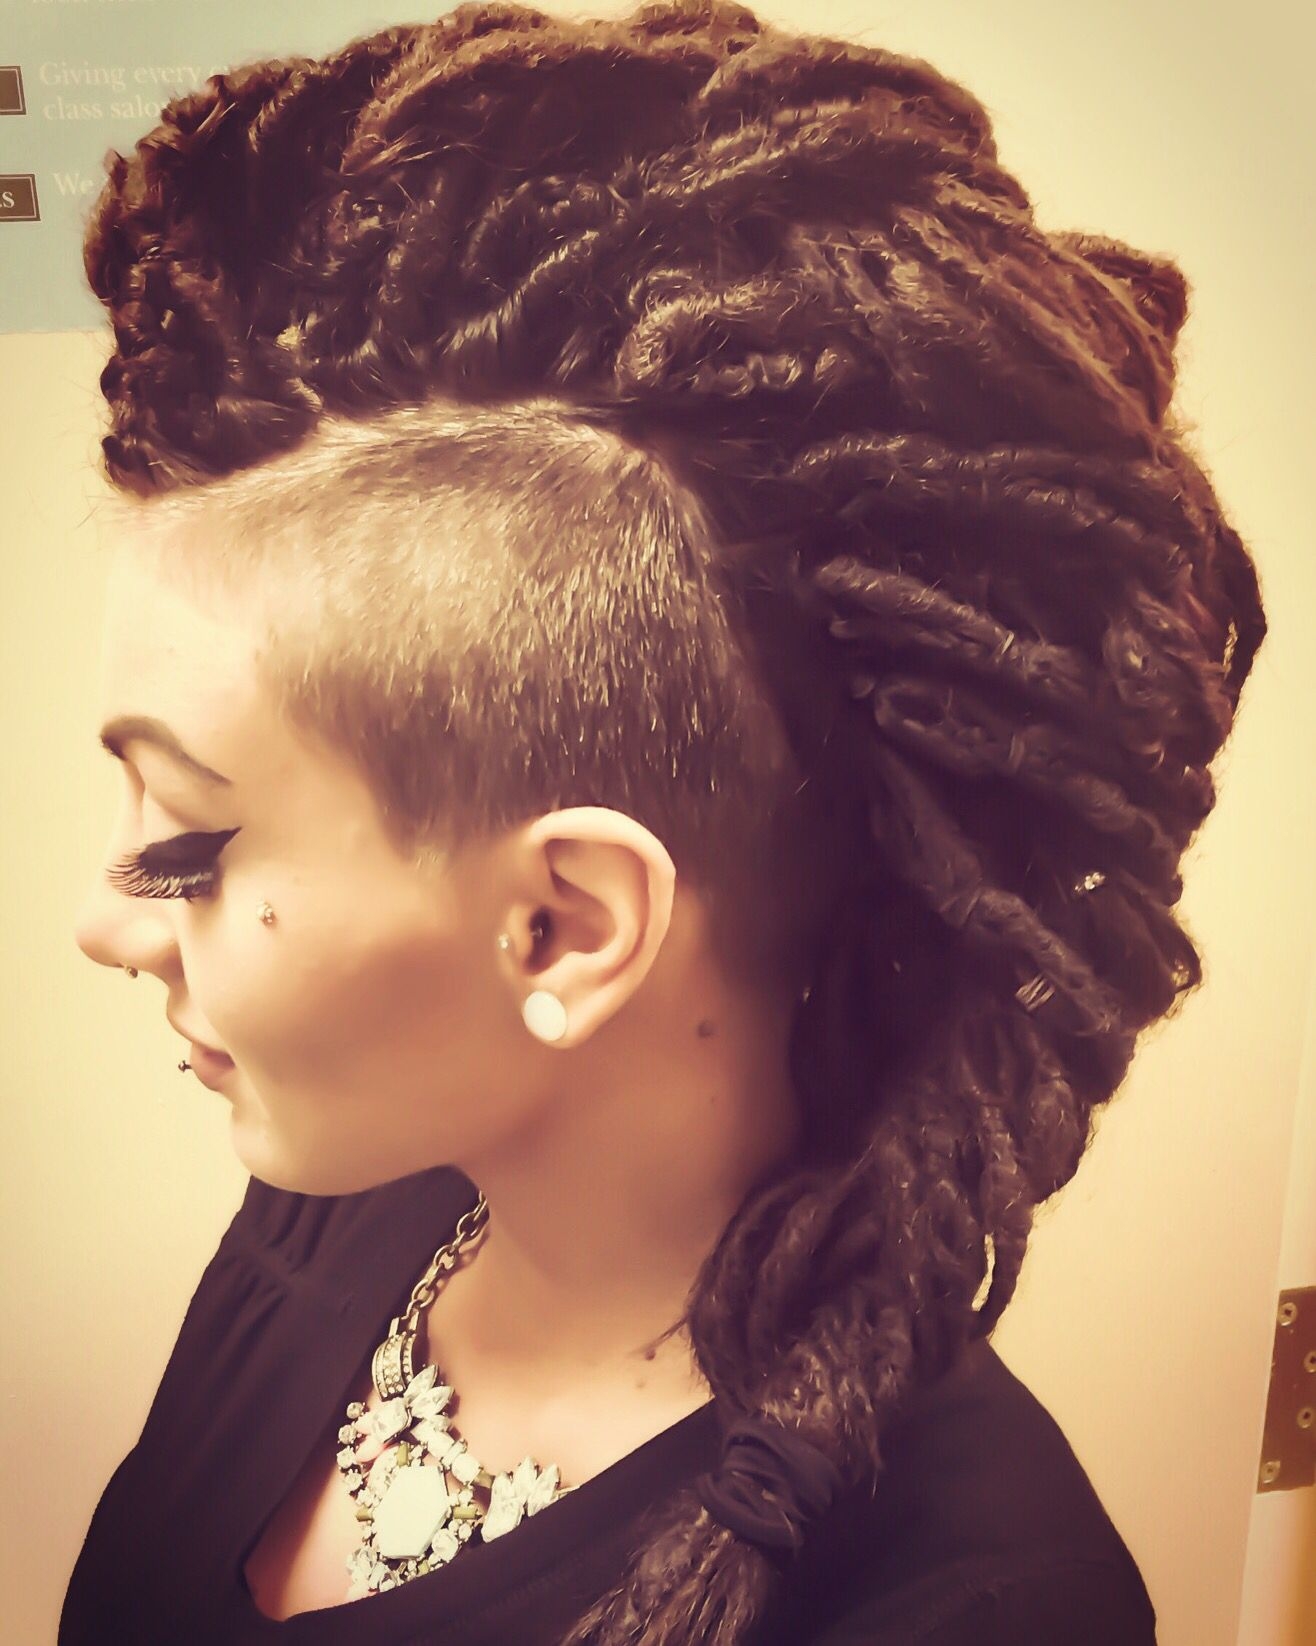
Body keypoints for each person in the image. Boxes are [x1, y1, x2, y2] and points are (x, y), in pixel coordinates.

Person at [60, 2, 1266, 1642]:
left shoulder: (980, 1603)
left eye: (190, 847)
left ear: (563, 926)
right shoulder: (333, 1211)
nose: (106, 922)